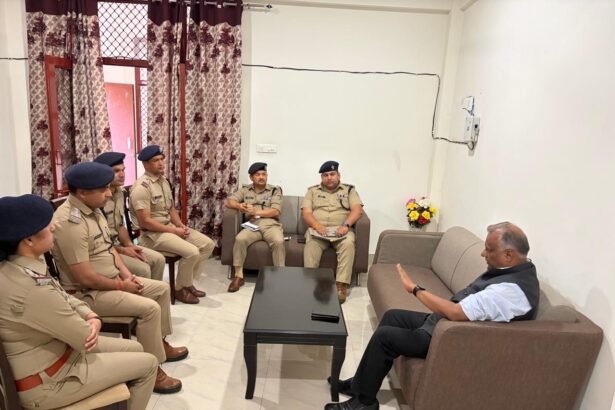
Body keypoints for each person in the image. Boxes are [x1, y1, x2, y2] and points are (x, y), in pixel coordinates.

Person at [324, 222, 541, 410]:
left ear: (509, 255)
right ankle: (360, 384)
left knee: (385, 337)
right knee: (393, 316)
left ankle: (364, 402)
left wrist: (415, 289)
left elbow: (455, 312)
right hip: (448, 325)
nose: (483, 254)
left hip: (453, 338)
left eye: (488, 249)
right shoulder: (512, 271)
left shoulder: (510, 291)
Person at [0, 194, 158, 410]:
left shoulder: (18, 266)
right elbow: (83, 338)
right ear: (28, 240)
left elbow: (62, 295)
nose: (55, 226)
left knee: (137, 347)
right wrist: (92, 323)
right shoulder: (30, 287)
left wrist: (90, 314)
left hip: (58, 352)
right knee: (149, 364)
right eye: (48, 225)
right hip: (51, 381)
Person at [51, 162, 188, 394]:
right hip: (87, 294)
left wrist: (128, 276)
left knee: (161, 289)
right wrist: (121, 285)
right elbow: (85, 277)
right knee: (150, 309)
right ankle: (152, 370)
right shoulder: (69, 222)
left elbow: (109, 249)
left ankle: (159, 343)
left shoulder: (93, 209)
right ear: (82, 192)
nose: (108, 194)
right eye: (103, 189)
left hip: (110, 281)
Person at [129, 145, 215, 304]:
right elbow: (145, 222)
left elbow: (171, 209)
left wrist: (181, 226)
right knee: (192, 252)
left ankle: (186, 283)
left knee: (208, 245)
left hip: (168, 228)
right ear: (145, 164)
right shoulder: (141, 188)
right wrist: (174, 231)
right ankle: (179, 290)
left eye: (162, 159)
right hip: (151, 235)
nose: (161, 163)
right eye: (156, 160)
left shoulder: (163, 181)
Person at [94, 151, 165, 281]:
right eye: (116, 171)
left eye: (123, 170)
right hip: (104, 251)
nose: (122, 174)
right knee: (143, 269)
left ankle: (154, 292)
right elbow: (97, 243)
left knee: (158, 259)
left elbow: (120, 225)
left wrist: (129, 245)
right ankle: (140, 292)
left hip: (118, 245)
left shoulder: (119, 192)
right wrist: (123, 250)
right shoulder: (97, 199)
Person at [302, 161, 363, 303]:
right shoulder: (312, 191)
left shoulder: (349, 191)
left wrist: (346, 225)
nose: (329, 177)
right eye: (325, 175)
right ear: (321, 177)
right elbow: (306, 213)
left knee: (348, 243)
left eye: (332, 174)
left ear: (338, 175)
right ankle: (310, 283)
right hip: (318, 232)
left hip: (341, 231)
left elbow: (357, 210)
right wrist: (317, 225)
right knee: (311, 245)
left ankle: (341, 285)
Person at [225, 162, 285, 292]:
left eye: (264, 174)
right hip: (252, 225)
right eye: (258, 175)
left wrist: (255, 211)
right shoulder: (245, 190)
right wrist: (239, 206)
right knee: (240, 239)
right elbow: (229, 201)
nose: (261, 177)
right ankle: (238, 276)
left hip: (270, 224)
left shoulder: (275, 190)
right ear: (251, 177)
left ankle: (280, 276)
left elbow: (276, 211)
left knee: (278, 241)